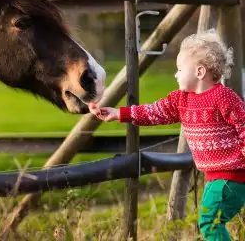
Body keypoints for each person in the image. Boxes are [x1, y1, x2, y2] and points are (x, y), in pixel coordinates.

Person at [89, 29, 245, 241]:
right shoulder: (181, 100)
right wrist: (119, 114)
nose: (176, 74)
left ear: (199, 72)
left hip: (232, 176)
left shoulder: (223, 97)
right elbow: (154, 112)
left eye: (180, 69)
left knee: (209, 223)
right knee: (209, 222)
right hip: (214, 177)